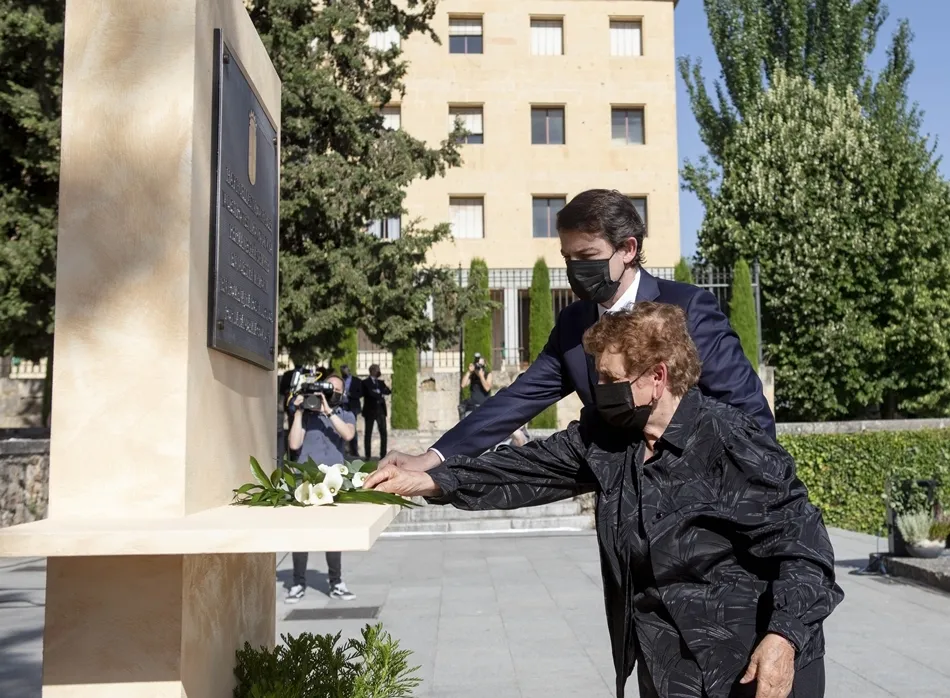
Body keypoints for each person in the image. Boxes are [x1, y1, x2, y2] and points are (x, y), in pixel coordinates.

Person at [366, 303, 843, 698]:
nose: (599, 392)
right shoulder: (610, 440)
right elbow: (524, 468)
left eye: (610, 379)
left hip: (755, 667)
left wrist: (784, 638)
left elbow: (805, 549)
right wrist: (429, 480)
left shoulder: (728, 439)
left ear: (657, 377)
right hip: (669, 670)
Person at [378, 189, 773, 474]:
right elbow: (517, 400)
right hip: (623, 523)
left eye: (587, 256)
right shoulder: (574, 324)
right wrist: (434, 456)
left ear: (628, 249)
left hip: (704, 515)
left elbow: (748, 412)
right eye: (568, 258)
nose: (575, 269)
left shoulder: (689, 309)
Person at [285, 373, 357, 603]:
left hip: (332, 481)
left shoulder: (345, 414)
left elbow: (348, 434)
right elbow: (294, 444)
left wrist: (329, 412)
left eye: (335, 390)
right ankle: (298, 583)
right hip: (306, 479)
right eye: (327, 388)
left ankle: (336, 582)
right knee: (301, 533)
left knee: (333, 533)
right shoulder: (308, 415)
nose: (330, 393)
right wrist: (298, 412)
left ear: (342, 394)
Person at [361, 364, 391, 459]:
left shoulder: (380, 383)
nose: (379, 372)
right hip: (370, 411)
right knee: (368, 433)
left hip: (380, 411)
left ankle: (383, 454)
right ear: (372, 371)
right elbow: (369, 393)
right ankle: (367, 455)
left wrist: (378, 392)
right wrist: (379, 393)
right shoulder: (365, 382)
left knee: (383, 433)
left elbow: (388, 391)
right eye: (377, 370)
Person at [459, 352, 493, 418]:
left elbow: (487, 388)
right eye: (477, 364)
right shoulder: (472, 375)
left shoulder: (488, 374)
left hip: (484, 407)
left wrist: (481, 376)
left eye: (480, 364)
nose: (478, 366)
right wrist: (469, 372)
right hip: (472, 407)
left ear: (484, 365)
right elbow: (463, 385)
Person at [340, 364, 363, 457]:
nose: (343, 373)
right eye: (342, 371)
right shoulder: (340, 380)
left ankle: (354, 450)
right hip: (342, 406)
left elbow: (360, 393)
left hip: (352, 406)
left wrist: (351, 394)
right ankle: (343, 449)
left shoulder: (357, 381)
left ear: (348, 370)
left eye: (344, 371)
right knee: (340, 427)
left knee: (352, 427)